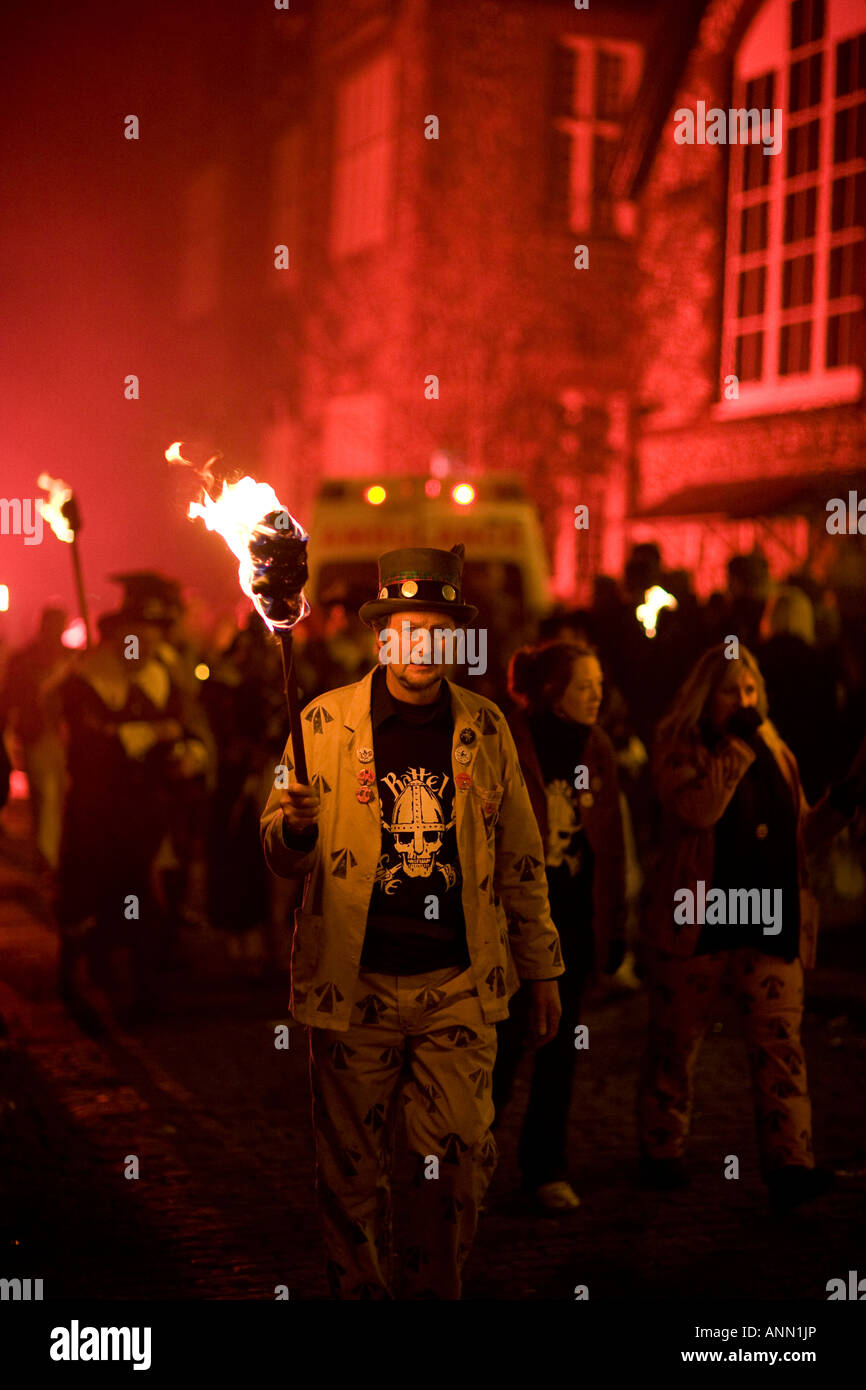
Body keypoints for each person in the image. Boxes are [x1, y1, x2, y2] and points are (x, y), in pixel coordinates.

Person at [260, 544, 563, 1299]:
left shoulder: (486, 728)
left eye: (436, 630)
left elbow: (522, 857)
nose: (420, 645)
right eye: (406, 628)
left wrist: (543, 969)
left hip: (459, 983)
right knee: (350, 1176)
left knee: (454, 1164)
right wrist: (295, 826)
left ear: (455, 639)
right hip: (352, 984)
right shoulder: (321, 723)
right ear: (381, 636)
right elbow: (278, 849)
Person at [637, 643, 862, 1213]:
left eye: (751, 690)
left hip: (769, 918)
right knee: (676, 1043)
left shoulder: (776, 750)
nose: (744, 701)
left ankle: (791, 1163)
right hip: (699, 920)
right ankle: (662, 1148)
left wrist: (842, 804)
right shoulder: (679, 746)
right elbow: (699, 810)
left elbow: (800, 835)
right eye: (731, 691)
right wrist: (739, 746)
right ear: (704, 696)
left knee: (780, 1044)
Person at [492, 640, 627, 1209]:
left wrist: (612, 926)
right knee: (499, 1049)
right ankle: (466, 1164)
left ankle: (545, 1166)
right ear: (552, 691)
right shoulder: (509, 739)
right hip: (511, 922)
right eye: (584, 686)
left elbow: (610, 845)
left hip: (570, 917)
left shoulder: (596, 747)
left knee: (560, 1049)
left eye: (599, 685)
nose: (597, 696)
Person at [55, 573, 210, 1017]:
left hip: (148, 813)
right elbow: (90, 746)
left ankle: (142, 979)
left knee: (141, 898)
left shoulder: (162, 677)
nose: (144, 646)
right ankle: (83, 973)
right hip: (96, 812)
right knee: (89, 896)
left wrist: (189, 753)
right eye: (136, 638)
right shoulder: (84, 681)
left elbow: (189, 726)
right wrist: (148, 734)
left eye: (152, 636)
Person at [0, 607, 72, 873]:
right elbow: (13, 696)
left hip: (65, 738)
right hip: (37, 736)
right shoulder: (25, 660)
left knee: (58, 796)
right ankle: (47, 858)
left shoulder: (70, 657)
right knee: (47, 795)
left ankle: (52, 853)